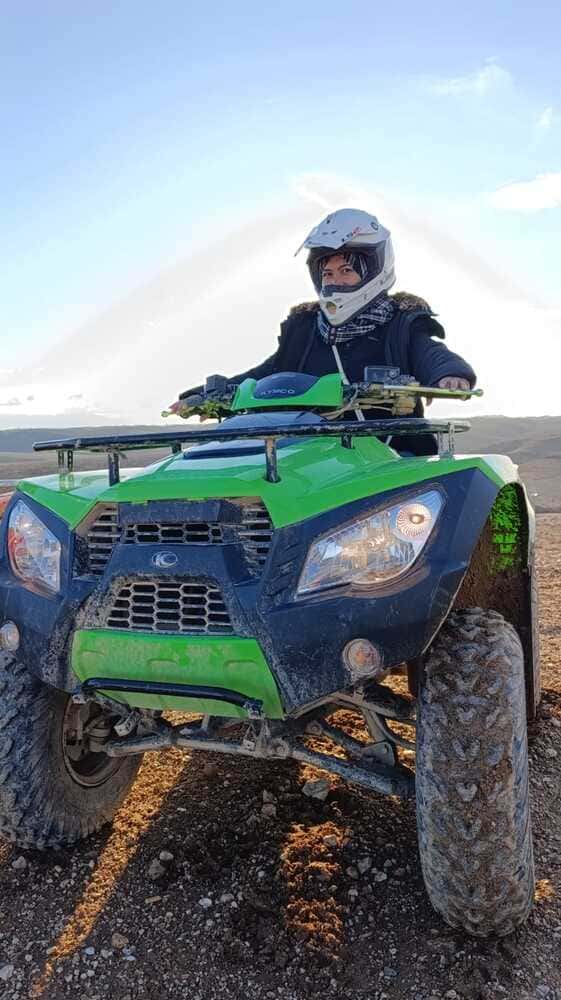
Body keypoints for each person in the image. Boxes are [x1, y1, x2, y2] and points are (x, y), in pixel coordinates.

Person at [170, 208, 476, 455]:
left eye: (346, 270)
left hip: (390, 454)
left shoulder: (401, 324)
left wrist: (450, 374)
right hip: (313, 452)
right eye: (327, 272)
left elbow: (430, 353)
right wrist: (203, 394)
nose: (335, 281)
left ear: (375, 269)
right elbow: (268, 373)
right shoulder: (304, 330)